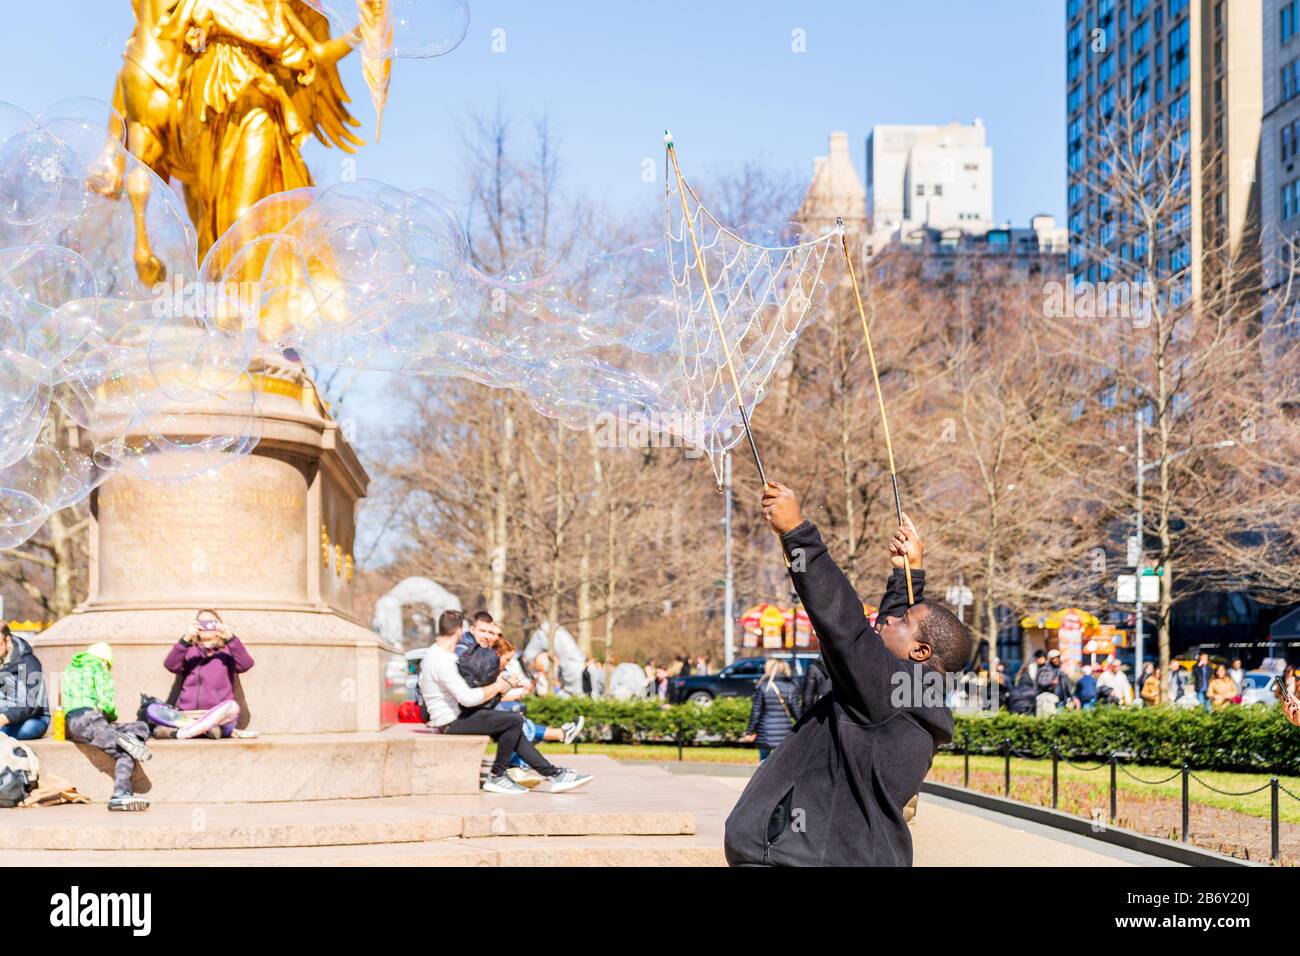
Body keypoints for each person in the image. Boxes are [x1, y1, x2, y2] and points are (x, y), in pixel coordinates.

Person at [724, 483, 972, 866]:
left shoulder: (890, 691)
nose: (886, 619)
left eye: (901, 619)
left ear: (921, 652)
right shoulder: (912, 694)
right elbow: (885, 643)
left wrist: (797, 533)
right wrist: (909, 575)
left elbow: (845, 627)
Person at [418, 610, 591, 795]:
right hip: (451, 722)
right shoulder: (441, 660)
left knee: (513, 724)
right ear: (460, 631)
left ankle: (554, 774)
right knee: (514, 720)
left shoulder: (439, 655)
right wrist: (501, 686)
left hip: (455, 717)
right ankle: (497, 775)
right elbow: (468, 698)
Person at [62, 642, 152, 811]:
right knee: (125, 751)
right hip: (90, 718)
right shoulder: (99, 667)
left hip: (73, 722)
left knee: (137, 726)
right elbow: (107, 704)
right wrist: (111, 717)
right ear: (106, 661)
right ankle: (120, 794)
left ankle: (132, 738)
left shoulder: (70, 669)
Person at [157, 610, 254, 739]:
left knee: (232, 706)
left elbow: (246, 664)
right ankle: (204, 729)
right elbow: (170, 665)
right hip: (189, 715)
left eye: (212, 623)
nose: (207, 626)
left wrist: (230, 637)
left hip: (218, 716)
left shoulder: (227, 651)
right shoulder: (189, 650)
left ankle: (182, 732)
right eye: (202, 623)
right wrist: (186, 638)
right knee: (153, 709)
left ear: (220, 626)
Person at [740, 658, 801, 761]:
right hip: (785, 733)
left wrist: (750, 731)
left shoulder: (763, 687)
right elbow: (797, 713)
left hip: (765, 733)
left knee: (764, 765)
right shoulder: (791, 687)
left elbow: (756, 712)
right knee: (782, 764)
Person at [0, 624, 49, 740]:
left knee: (27, 728)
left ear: (7, 640)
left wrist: (4, 718)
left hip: (33, 718)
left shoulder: (29, 663)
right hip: (4, 715)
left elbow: (31, 703)